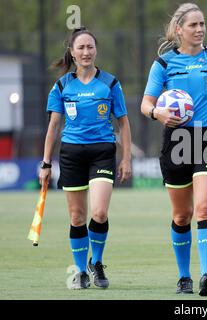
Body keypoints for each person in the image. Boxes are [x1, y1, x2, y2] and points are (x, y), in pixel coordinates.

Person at [140, 3, 207, 296]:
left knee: (204, 209)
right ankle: (183, 277)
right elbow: (145, 104)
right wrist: (157, 114)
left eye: (202, 24)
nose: (200, 29)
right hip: (175, 141)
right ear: (179, 30)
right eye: (193, 25)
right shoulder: (163, 64)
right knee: (181, 216)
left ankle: (206, 275)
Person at [39, 27, 132, 290]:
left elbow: (123, 123)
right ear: (72, 52)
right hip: (71, 155)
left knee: (100, 212)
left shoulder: (111, 83)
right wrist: (46, 163)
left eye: (90, 47)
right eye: (80, 47)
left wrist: (126, 158)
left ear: (96, 50)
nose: (86, 52)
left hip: (102, 152)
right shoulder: (61, 86)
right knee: (77, 217)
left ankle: (97, 262)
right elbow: (54, 127)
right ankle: (80, 270)